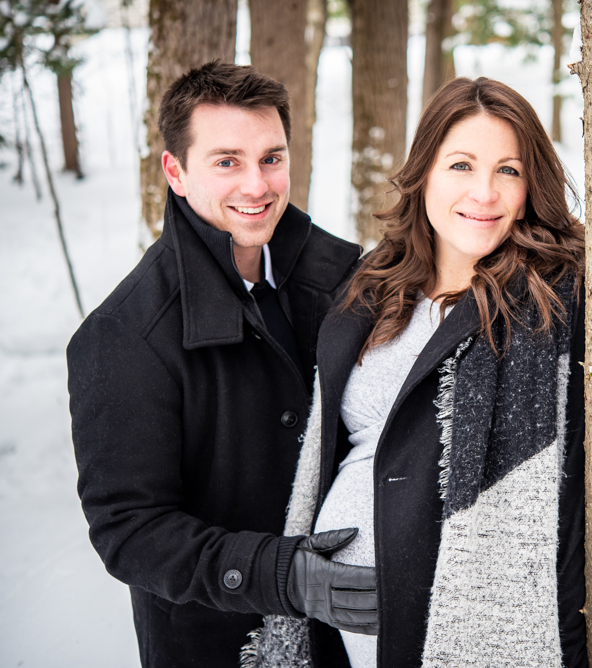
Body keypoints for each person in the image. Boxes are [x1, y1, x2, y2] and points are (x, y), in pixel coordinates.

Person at [252, 76, 588, 668]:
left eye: (508, 170)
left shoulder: (552, 303)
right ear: (424, 171)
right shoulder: (372, 287)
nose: (484, 192)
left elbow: (571, 503)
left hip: (453, 632)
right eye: (461, 165)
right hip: (334, 629)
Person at [67, 62, 377, 667]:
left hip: (351, 638)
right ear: (175, 172)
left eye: (271, 158)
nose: (257, 185)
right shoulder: (123, 335)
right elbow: (129, 529)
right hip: (215, 646)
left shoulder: (345, 279)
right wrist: (276, 574)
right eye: (227, 161)